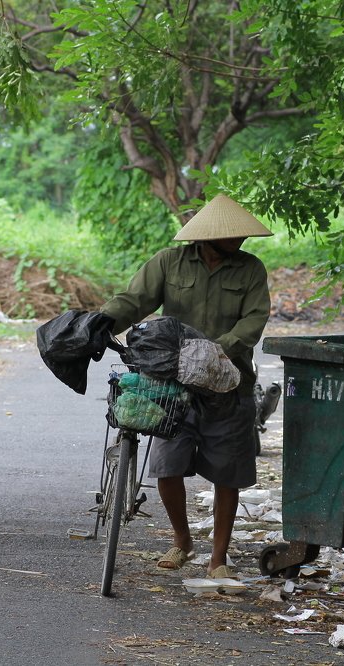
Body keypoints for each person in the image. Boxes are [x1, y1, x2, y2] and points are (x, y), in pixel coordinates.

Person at [99, 194, 272, 579]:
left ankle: (218, 558)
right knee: (167, 465)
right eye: (233, 235)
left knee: (228, 472)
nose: (241, 241)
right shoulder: (169, 262)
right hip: (173, 383)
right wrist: (101, 324)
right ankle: (182, 540)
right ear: (208, 236)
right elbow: (134, 300)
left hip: (228, 383)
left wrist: (216, 350)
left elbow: (254, 320)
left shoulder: (250, 270)